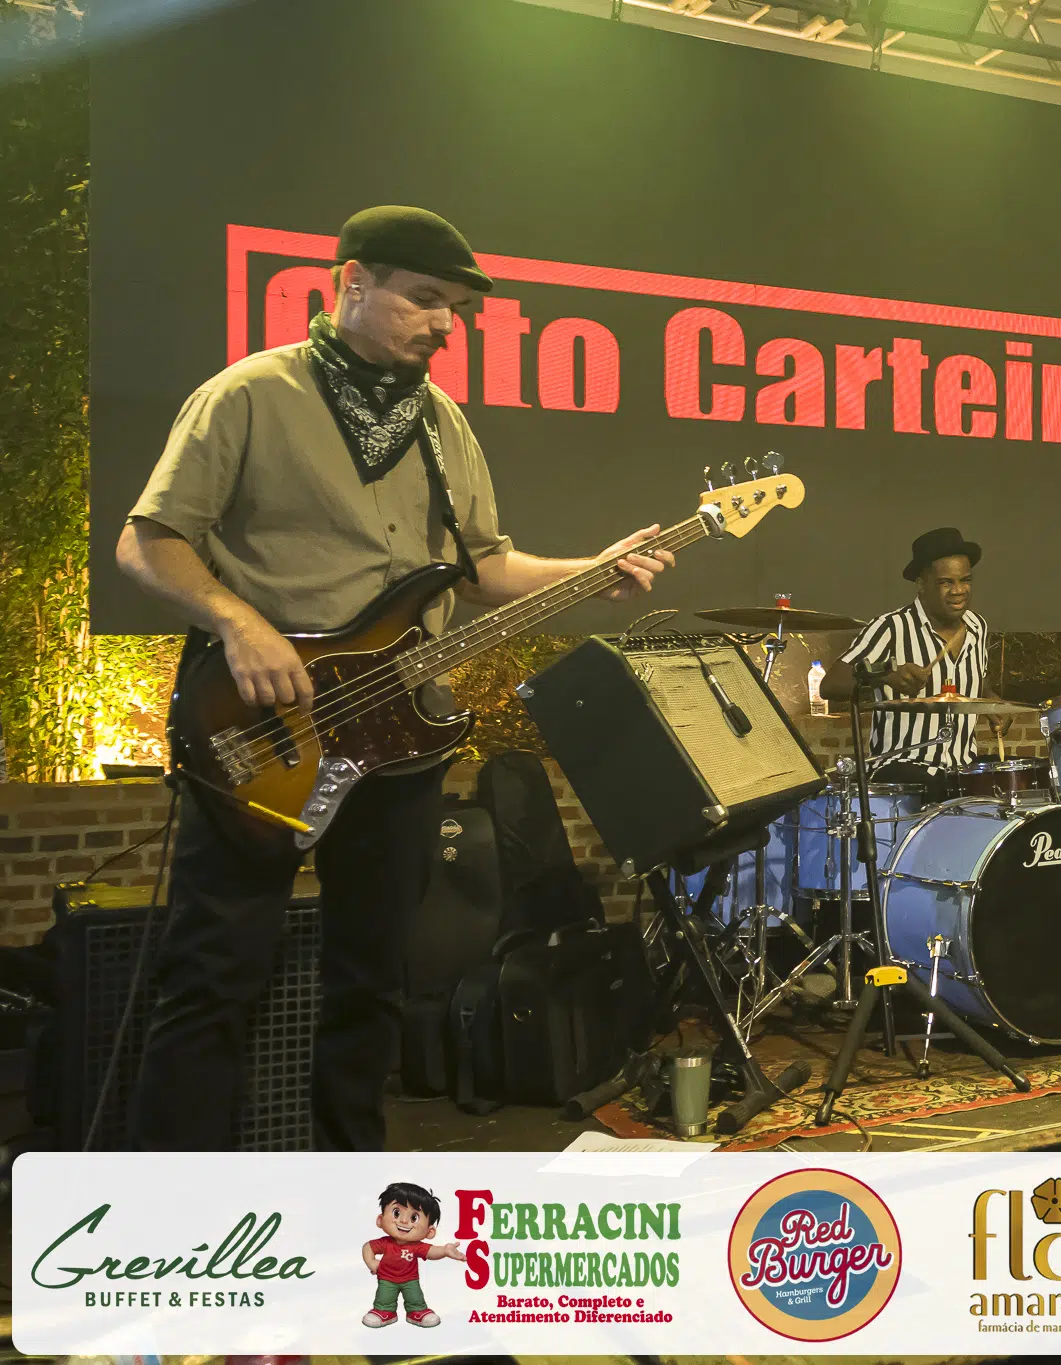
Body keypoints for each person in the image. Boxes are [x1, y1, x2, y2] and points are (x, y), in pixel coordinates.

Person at [117, 205, 673, 1150]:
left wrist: (592, 571)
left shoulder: (442, 423)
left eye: (456, 308)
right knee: (213, 976)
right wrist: (240, 624)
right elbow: (148, 541)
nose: (444, 324)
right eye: (424, 299)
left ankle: (350, 1184)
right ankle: (173, 1201)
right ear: (353, 282)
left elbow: (482, 566)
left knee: (372, 978)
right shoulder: (250, 394)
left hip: (399, 738)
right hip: (264, 722)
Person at [821, 527, 989, 785]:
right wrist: (884, 677)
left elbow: (977, 678)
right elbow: (830, 685)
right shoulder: (891, 627)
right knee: (932, 785)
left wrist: (993, 704)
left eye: (965, 580)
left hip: (961, 769)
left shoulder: (977, 627)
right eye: (945, 582)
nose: (958, 590)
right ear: (921, 585)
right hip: (902, 771)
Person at [361, 1182, 462, 1328]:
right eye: (396, 1213)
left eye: (414, 1217)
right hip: (387, 1279)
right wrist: (372, 1263)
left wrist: (445, 1251)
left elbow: (431, 1251)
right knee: (384, 1298)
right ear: (380, 1220)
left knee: (415, 1298)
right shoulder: (385, 1243)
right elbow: (368, 1247)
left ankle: (417, 1312)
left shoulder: (417, 1246)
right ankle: (384, 1312)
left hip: (410, 1280)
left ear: (429, 1232)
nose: (403, 1221)